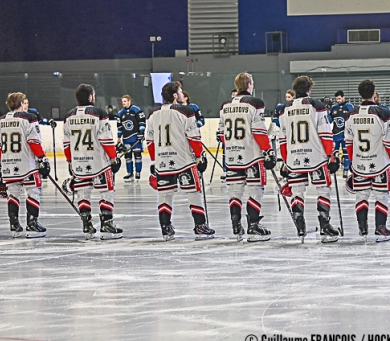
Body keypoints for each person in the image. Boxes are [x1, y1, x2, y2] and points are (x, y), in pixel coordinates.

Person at [145, 82, 212, 241]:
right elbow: (194, 137)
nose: (182, 94)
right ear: (175, 95)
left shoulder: (153, 114)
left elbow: (149, 141)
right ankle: (200, 225)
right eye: (180, 92)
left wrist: (156, 160)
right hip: (184, 161)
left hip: (163, 162)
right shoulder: (186, 111)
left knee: (165, 195)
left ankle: (165, 227)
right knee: (193, 193)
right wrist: (199, 155)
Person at [277, 76, 340, 243]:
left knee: (297, 192)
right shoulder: (316, 106)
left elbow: (282, 139)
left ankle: (300, 226)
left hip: (294, 157)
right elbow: (326, 134)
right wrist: (331, 154)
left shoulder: (284, 109)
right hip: (316, 157)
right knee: (323, 190)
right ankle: (325, 225)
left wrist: (285, 159)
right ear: (309, 90)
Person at [218, 73, 276, 241]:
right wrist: (268, 151)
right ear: (249, 84)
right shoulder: (255, 103)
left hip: (232, 156)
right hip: (252, 155)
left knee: (235, 192)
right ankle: (253, 226)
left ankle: (236, 227)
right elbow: (259, 131)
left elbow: (222, 135)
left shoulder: (225, 105)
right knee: (255, 190)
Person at [63, 84, 123, 240]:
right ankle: (107, 225)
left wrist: (70, 161)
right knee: (107, 191)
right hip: (99, 163)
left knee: (83, 193)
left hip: (79, 164)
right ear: (90, 97)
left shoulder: (69, 116)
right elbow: (106, 139)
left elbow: (66, 143)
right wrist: (113, 157)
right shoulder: (99, 114)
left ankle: (87, 226)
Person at [344, 80, 390, 241]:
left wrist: (353, 161)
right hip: (380, 164)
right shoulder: (383, 113)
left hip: (359, 164)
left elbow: (348, 142)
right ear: (374, 93)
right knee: (381, 195)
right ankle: (380, 228)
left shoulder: (351, 114)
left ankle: (362, 228)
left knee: (361, 195)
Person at [0, 92, 51, 237]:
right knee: (33, 191)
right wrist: (42, 158)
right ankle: (32, 224)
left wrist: (3, 161)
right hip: (27, 164)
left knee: (13, 193)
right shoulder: (29, 118)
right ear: (20, 103)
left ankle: (14, 225)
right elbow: (34, 142)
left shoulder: (0, 120)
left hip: (9, 165)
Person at [117, 94, 146, 182]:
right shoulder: (120, 113)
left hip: (136, 138)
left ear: (129, 101)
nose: (123, 103)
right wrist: (118, 137)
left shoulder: (136, 110)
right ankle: (130, 173)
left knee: (137, 155)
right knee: (128, 157)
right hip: (126, 138)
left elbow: (142, 122)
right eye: (122, 102)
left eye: (125, 101)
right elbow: (119, 127)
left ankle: (138, 172)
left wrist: (141, 133)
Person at [329, 90, 355, 178]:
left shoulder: (349, 106)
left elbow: (353, 120)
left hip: (345, 135)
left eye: (340, 98)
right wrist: (327, 110)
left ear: (344, 97)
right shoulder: (333, 108)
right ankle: (335, 169)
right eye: (337, 99)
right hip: (335, 135)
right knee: (334, 154)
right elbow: (329, 120)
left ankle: (346, 170)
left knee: (346, 154)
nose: (338, 101)